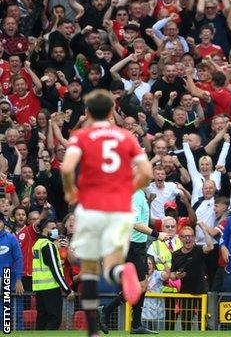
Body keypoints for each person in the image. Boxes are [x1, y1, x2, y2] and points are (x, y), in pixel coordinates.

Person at [60, 89, 153, 337]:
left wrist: (71, 192)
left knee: (90, 269)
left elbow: (67, 167)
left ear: (88, 112)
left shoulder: (82, 136)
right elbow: (146, 171)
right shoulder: (124, 137)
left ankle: (93, 332)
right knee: (113, 263)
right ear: (112, 111)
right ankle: (122, 272)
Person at [98, 188, 168, 335]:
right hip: (131, 245)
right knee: (140, 285)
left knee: (142, 285)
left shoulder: (140, 194)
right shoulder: (136, 195)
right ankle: (107, 311)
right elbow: (135, 223)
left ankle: (134, 324)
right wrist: (157, 234)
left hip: (138, 246)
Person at [31, 218, 74, 330]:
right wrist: (67, 290)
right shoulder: (48, 245)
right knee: (55, 319)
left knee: (42, 318)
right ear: (45, 229)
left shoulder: (37, 244)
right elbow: (55, 270)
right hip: (50, 287)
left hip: (39, 288)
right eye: (53, 228)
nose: (56, 231)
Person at [170, 225, 214, 330]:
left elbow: (210, 247)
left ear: (194, 237)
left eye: (190, 236)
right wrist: (177, 276)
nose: (187, 239)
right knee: (185, 324)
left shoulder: (199, 249)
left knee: (203, 324)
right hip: (185, 293)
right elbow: (171, 275)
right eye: (184, 236)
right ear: (180, 238)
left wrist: (203, 228)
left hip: (201, 291)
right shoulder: (176, 255)